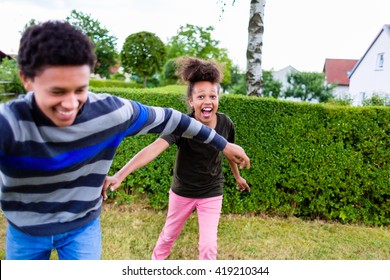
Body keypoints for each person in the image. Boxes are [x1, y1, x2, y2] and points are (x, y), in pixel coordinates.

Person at [0, 21, 250, 260]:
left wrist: (224, 145)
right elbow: (163, 140)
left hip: (81, 229)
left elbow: (175, 120)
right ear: (26, 79)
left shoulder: (110, 112)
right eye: (56, 91)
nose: (70, 105)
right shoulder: (8, 125)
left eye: (80, 89)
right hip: (26, 233)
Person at [103, 57, 250, 260]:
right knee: (167, 238)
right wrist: (120, 175)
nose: (207, 101)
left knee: (208, 247)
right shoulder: (183, 126)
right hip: (183, 192)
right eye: (200, 97)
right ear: (191, 101)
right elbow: (153, 149)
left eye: (212, 96)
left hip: (212, 192)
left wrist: (237, 177)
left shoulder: (226, 123)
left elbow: (230, 154)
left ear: (218, 99)